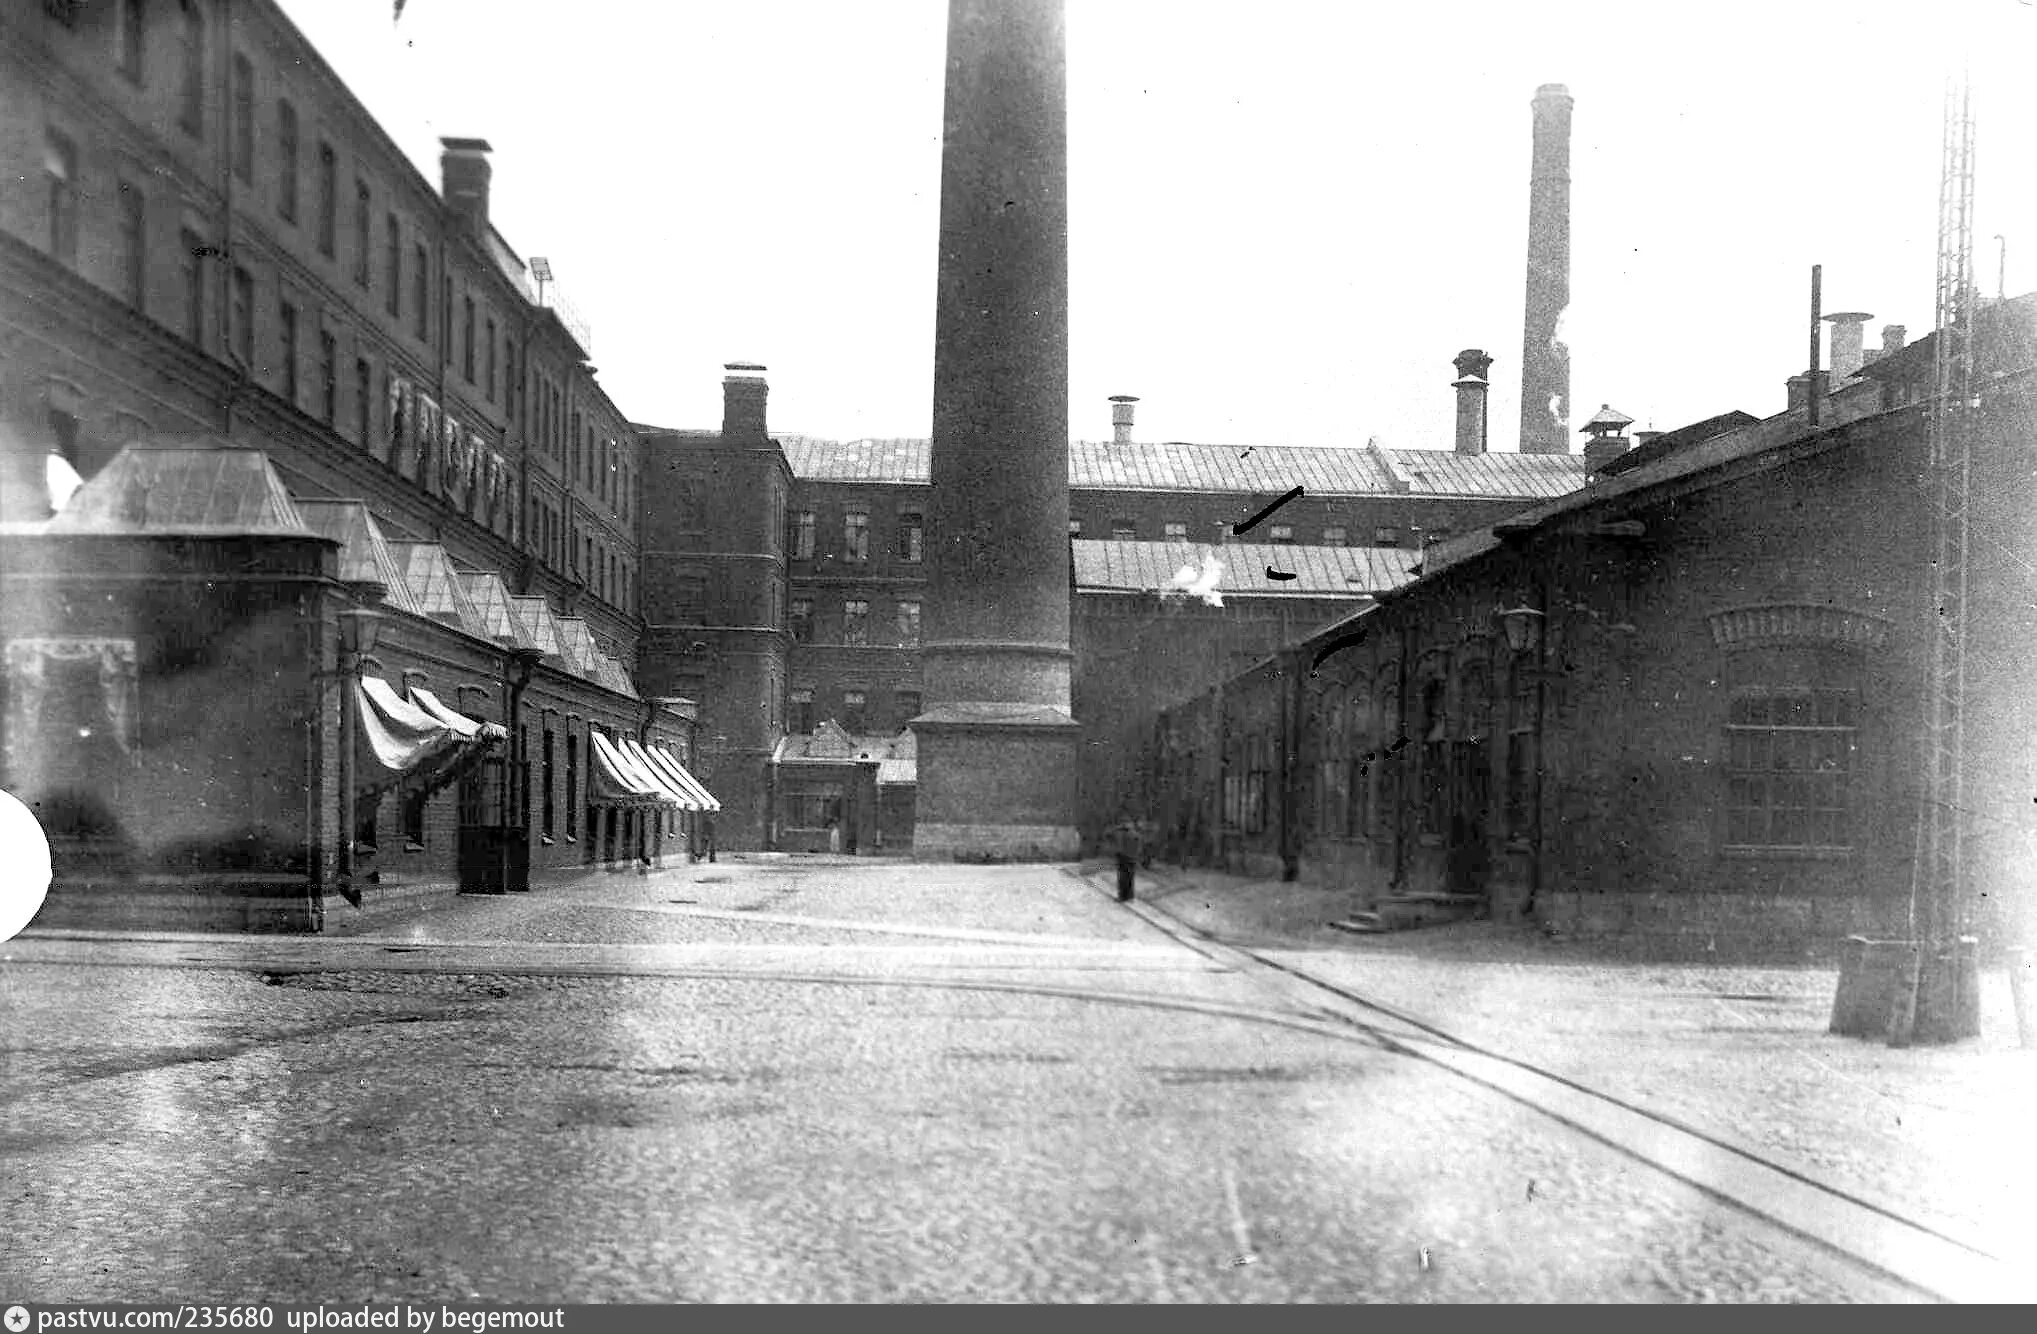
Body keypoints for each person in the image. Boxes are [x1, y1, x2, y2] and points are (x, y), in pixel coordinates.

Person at [1108, 811, 1144, 903]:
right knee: (1129, 878)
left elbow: (1112, 836)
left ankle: (1123, 897)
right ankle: (1129, 896)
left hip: (1124, 857)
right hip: (1131, 857)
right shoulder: (1136, 834)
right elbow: (1139, 846)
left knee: (1123, 878)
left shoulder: (1122, 832)